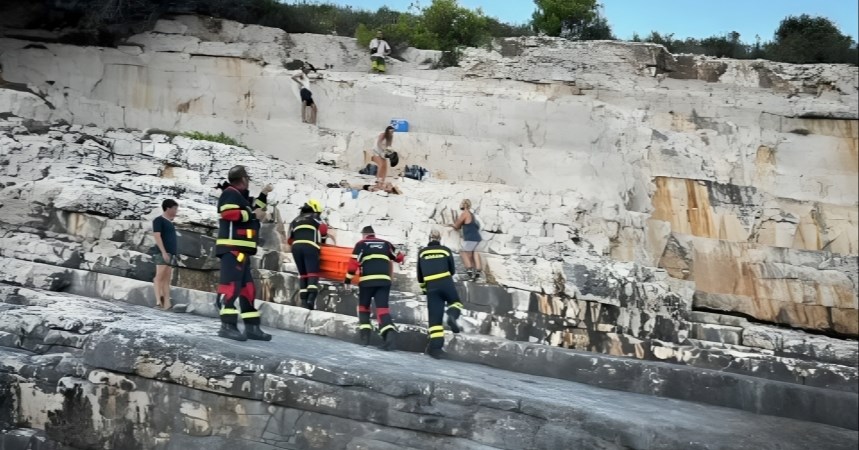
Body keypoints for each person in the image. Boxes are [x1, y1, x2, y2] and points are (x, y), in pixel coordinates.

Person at [214, 165, 274, 341]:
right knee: (230, 287)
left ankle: (252, 328)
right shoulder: (230, 193)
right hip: (232, 249)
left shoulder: (241, 197)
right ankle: (227, 326)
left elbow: (256, 207)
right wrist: (252, 214)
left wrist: (264, 193)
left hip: (243, 251)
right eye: (247, 179)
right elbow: (228, 213)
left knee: (248, 290)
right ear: (243, 179)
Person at [344, 225, 405, 350]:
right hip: (384, 281)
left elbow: (353, 264)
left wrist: (347, 280)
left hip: (367, 281)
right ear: (373, 234)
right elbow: (399, 257)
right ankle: (389, 337)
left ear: (364, 235)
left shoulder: (361, 244)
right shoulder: (386, 244)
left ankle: (365, 338)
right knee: (382, 310)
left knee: (363, 307)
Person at [417, 229, 464, 359]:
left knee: (435, 320)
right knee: (455, 303)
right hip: (445, 282)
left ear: (429, 238)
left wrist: (425, 290)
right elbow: (452, 270)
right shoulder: (445, 250)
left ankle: (436, 349)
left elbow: (420, 276)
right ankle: (452, 315)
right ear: (439, 239)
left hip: (431, 286)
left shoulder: (422, 252)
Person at [288, 199, 328, 310]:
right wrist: (323, 242)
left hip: (296, 247)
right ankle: (311, 300)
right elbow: (323, 229)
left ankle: (304, 302)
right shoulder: (316, 219)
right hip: (310, 247)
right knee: (312, 274)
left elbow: (289, 239)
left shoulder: (295, 220)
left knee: (303, 275)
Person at [152, 199, 179, 310]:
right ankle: (158, 302)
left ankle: (167, 304)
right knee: (159, 277)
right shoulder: (159, 220)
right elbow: (157, 236)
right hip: (162, 253)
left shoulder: (170, 222)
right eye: (175, 209)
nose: (176, 211)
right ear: (168, 208)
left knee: (167, 279)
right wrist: (163, 252)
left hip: (170, 253)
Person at [447, 198, 482, 281]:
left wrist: (450, 225)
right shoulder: (471, 214)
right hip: (477, 238)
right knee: (474, 254)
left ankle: (470, 273)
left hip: (470, 238)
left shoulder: (464, 213)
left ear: (463, 205)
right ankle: (478, 272)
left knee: (464, 253)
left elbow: (456, 226)